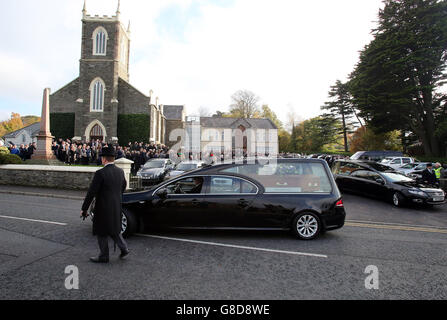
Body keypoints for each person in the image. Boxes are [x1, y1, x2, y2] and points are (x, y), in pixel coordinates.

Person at [80, 146, 130, 263]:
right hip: (116, 205)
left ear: (104, 159)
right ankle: (124, 248)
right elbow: (123, 187)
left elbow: (91, 192)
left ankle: (104, 256)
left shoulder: (100, 173)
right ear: (113, 159)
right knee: (114, 229)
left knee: (101, 231)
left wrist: (84, 209)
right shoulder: (120, 171)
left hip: (102, 207)